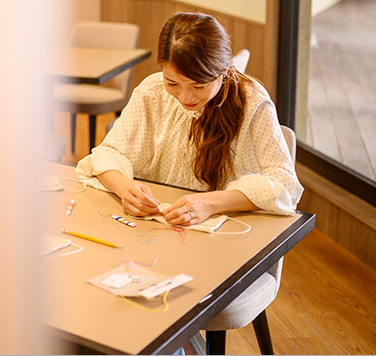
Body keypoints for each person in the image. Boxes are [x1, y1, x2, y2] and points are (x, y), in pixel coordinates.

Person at [75, 12, 303, 225]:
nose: (185, 97)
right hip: (160, 227)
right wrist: (125, 189)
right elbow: (107, 153)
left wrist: (212, 203)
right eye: (172, 83)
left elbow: (284, 184)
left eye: (198, 86)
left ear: (223, 73)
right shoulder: (152, 91)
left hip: (227, 229)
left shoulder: (252, 101)